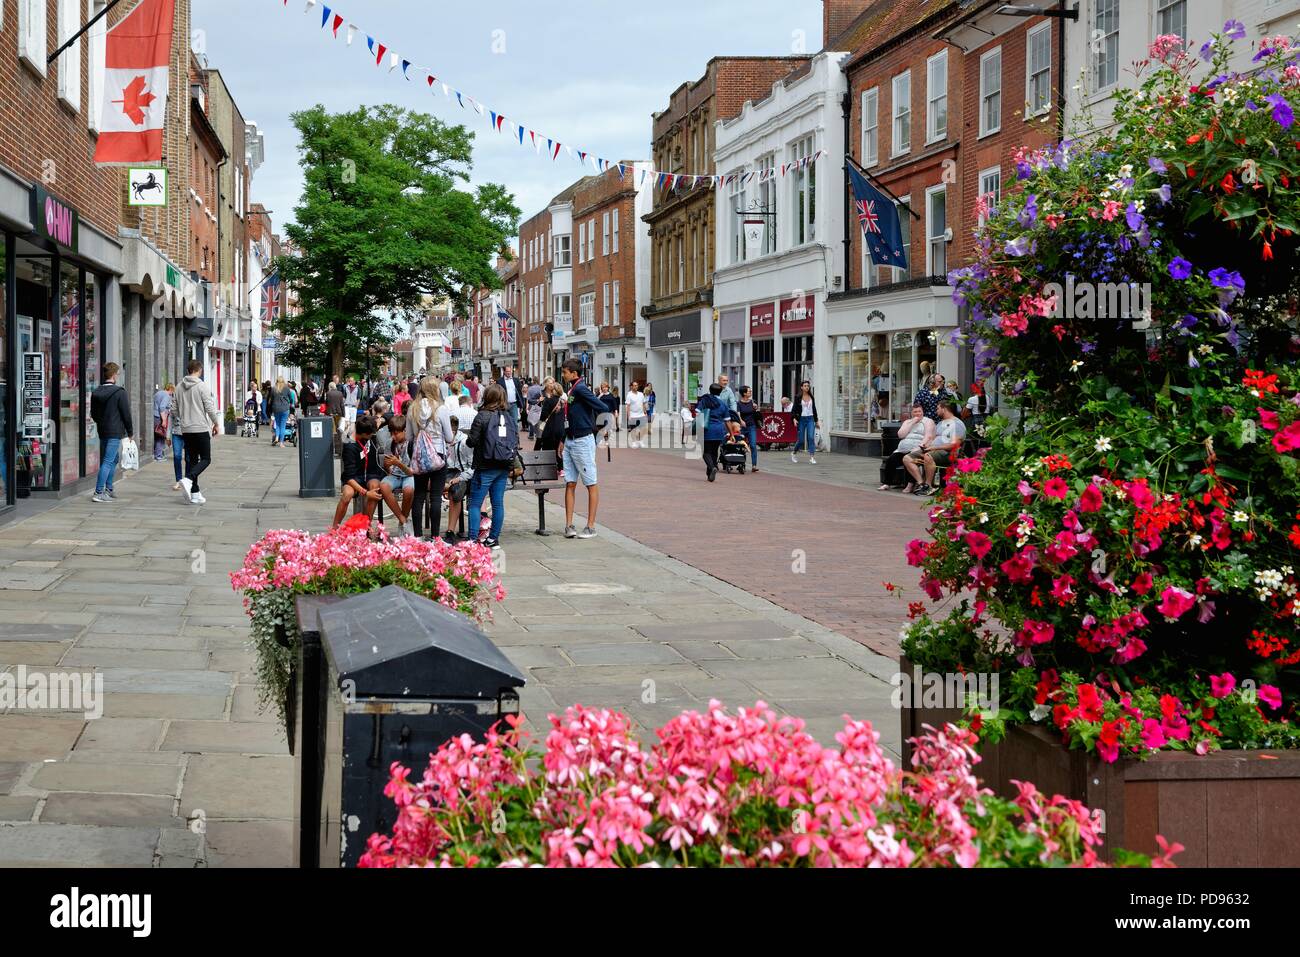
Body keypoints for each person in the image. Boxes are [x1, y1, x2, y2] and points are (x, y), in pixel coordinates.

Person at [464, 384, 518, 549]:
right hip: (503, 465)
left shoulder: (482, 416)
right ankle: (493, 539)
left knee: (474, 503)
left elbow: (471, 441)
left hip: (485, 465)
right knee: (497, 503)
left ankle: (473, 539)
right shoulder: (508, 416)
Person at [559, 359, 606, 539]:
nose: (563, 375)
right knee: (570, 482)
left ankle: (590, 526)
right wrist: (564, 437)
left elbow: (602, 406)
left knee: (590, 482)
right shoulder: (573, 388)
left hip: (582, 440)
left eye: (565, 372)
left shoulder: (580, 388)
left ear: (574, 373)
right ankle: (569, 525)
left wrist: (592, 426)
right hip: (571, 439)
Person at [334, 414, 400, 535]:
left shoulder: (366, 428)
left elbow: (391, 416)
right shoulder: (350, 446)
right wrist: (365, 492)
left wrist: (381, 419)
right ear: (364, 434)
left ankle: (365, 526)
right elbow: (349, 476)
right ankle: (334, 528)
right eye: (371, 434)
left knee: (375, 487)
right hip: (354, 478)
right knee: (347, 494)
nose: (372, 436)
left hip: (371, 473)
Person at [408, 378, 453, 541]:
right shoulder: (441, 409)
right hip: (438, 455)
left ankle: (418, 536)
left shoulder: (413, 408)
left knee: (419, 495)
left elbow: (408, 437)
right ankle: (435, 536)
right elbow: (448, 437)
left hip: (420, 456)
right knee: (435, 496)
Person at [176, 359, 220, 505]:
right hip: (200, 428)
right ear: (199, 370)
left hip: (186, 429)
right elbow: (209, 407)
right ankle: (188, 479)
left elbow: (173, 410)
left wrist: (184, 418)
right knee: (206, 459)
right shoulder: (202, 386)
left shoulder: (178, 387)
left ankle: (195, 493)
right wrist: (216, 423)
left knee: (193, 460)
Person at [89, 362, 134, 503]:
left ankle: (109, 488)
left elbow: (93, 413)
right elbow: (126, 413)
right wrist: (130, 431)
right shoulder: (119, 392)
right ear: (114, 375)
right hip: (115, 431)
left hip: (102, 430)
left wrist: (101, 422)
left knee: (114, 459)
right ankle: (98, 492)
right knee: (108, 461)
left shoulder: (96, 392)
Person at [904, 400, 967, 496]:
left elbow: (955, 445)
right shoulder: (940, 423)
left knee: (928, 456)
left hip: (948, 452)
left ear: (944, 409)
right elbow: (933, 438)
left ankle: (929, 486)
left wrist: (935, 448)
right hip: (933, 450)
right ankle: (922, 484)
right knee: (907, 458)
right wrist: (927, 445)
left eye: (938, 408)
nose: (936, 411)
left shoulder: (957, 423)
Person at [879, 402, 935, 492]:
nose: (917, 414)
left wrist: (919, 447)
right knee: (891, 460)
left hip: (918, 448)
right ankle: (887, 483)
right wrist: (912, 422)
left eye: (919, 411)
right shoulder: (908, 422)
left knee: (908, 459)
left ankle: (910, 484)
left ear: (923, 412)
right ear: (912, 413)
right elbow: (900, 435)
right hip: (902, 449)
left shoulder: (928, 421)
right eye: (915, 412)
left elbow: (928, 436)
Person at [375, 414, 415, 537]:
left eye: (396, 433)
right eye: (392, 433)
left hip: (409, 475)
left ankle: (404, 520)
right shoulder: (390, 443)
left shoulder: (412, 444)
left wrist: (398, 463)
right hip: (396, 475)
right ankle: (403, 521)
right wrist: (388, 465)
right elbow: (388, 468)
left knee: (408, 490)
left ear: (405, 431)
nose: (393, 436)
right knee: (383, 486)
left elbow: (412, 472)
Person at [441, 415, 474, 542]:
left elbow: (472, 468)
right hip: (447, 472)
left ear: (453, 431)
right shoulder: (442, 441)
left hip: (463, 473)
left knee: (455, 492)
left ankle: (450, 531)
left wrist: (460, 478)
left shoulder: (465, 442)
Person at [695, 384, 731, 482]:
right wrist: (731, 434)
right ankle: (709, 474)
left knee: (706, 452)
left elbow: (697, 412)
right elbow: (727, 420)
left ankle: (712, 467)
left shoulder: (705, 400)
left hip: (707, 429)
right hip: (719, 430)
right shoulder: (723, 404)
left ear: (710, 390)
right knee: (714, 452)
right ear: (720, 392)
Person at [791, 381, 820, 465]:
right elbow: (793, 410)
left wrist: (816, 420)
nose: (807, 387)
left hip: (810, 418)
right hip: (801, 419)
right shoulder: (798, 397)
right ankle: (794, 453)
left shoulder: (811, 397)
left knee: (811, 437)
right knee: (800, 441)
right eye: (805, 386)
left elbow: (814, 409)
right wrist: (794, 419)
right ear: (801, 387)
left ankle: (812, 457)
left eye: (808, 386)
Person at [535, 379, 566, 454]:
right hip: (560, 429)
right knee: (558, 452)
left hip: (549, 430)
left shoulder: (549, 401)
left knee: (548, 453)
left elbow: (543, 416)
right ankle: (559, 465)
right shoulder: (562, 402)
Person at [737, 386, 760, 472]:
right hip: (742, 427)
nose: (750, 393)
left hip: (751, 426)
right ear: (744, 393)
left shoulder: (752, 402)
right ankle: (741, 464)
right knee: (741, 446)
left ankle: (754, 465)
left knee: (753, 445)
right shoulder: (738, 403)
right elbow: (738, 414)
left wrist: (756, 408)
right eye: (749, 392)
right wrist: (741, 421)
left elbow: (757, 413)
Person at [169, 384, 186, 491]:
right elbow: (170, 420)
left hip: (189, 432)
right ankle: (178, 481)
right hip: (176, 433)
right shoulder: (173, 405)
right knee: (177, 456)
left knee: (189, 458)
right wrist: (167, 436)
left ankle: (189, 480)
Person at [624, 381, 648, 448]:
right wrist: (628, 416)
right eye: (634, 385)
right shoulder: (629, 395)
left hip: (641, 414)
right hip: (633, 415)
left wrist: (645, 412)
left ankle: (640, 440)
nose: (636, 386)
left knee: (643, 428)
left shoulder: (641, 394)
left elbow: (643, 404)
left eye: (636, 385)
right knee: (633, 429)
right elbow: (628, 406)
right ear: (631, 386)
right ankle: (634, 442)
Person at [325, 378, 345, 456]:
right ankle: (339, 451)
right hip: (339, 414)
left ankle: (331, 450)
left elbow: (326, 403)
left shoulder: (328, 393)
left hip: (330, 414)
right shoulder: (340, 393)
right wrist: (344, 415)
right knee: (339, 432)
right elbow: (342, 405)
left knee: (332, 432)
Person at [270, 377, 293, 448]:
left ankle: (277, 437)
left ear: (276, 381)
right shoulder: (287, 388)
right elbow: (290, 398)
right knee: (283, 425)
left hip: (276, 408)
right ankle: (281, 443)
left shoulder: (274, 388)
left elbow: (272, 399)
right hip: (285, 409)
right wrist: (291, 403)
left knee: (277, 424)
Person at [152, 383, 171, 462]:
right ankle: (158, 456)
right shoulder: (166, 395)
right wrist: (163, 420)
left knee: (157, 435)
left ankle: (156, 454)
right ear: (170, 389)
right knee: (161, 436)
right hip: (160, 417)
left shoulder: (158, 393)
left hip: (154, 416)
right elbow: (162, 407)